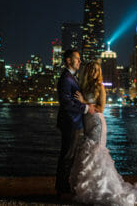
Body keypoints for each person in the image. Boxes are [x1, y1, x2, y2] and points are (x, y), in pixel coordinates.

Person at [70, 61, 137, 206]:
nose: (93, 72)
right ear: (87, 71)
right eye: (91, 70)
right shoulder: (84, 86)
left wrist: (84, 102)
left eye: (96, 70)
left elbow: (101, 108)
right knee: (87, 153)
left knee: (95, 152)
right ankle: (88, 188)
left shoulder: (100, 87)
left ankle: (102, 190)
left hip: (97, 123)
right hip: (87, 123)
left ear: (99, 72)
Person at [55, 49, 97, 200]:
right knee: (67, 156)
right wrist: (86, 108)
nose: (80, 61)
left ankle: (64, 187)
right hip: (70, 122)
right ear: (68, 60)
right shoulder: (66, 78)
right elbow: (66, 102)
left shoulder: (71, 77)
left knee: (70, 156)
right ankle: (62, 190)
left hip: (74, 122)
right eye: (77, 59)